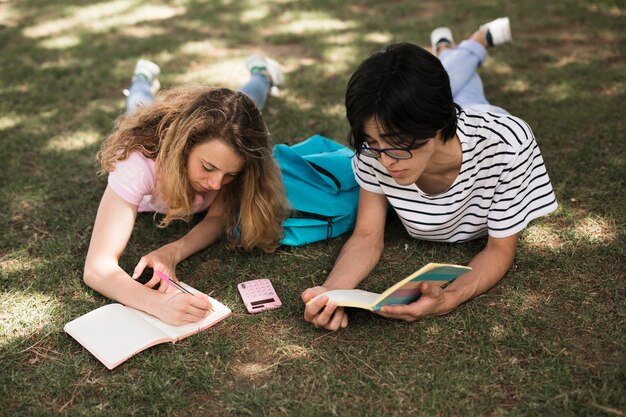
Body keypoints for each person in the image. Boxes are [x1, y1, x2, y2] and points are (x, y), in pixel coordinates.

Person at [302, 17, 558, 330]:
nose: (385, 161)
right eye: (373, 144)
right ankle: (449, 48)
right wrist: (332, 293)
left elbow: (499, 249)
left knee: (466, 96)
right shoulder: (375, 151)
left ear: (436, 125)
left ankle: (473, 42)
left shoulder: (506, 144)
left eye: (397, 145)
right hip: (438, 114)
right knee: (443, 85)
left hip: (482, 119)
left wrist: (449, 298)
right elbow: (367, 236)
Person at [83, 54, 289, 326]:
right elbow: (97, 268)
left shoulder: (238, 160)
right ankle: (142, 78)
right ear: (185, 146)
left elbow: (216, 218)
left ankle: (261, 72)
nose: (216, 184)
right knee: (137, 105)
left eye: (229, 175)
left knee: (249, 101)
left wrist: (173, 251)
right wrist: (158, 304)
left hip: (223, 120)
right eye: (208, 167)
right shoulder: (137, 162)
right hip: (152, 142)